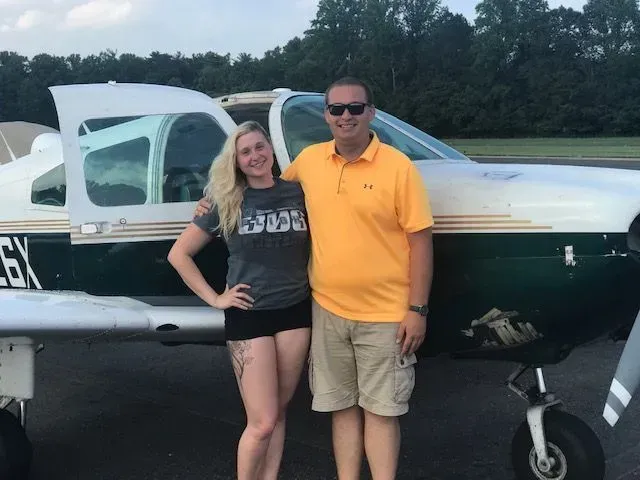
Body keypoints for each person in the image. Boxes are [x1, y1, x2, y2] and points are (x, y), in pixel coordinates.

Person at [195, 77, 434, 480]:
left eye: (355, 108)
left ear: (370, 112)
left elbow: (421, 241)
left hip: (385, 314)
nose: (346, 116)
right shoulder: (310, 162)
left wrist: (417, 309)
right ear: (327, 115)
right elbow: (260, 186)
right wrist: (212, 199)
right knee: (339, 408)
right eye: (337, 109)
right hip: (325, 312)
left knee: (381, 410)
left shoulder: (399, 167)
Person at [168, 120, 312, 480]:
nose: (254, 156)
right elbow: (179, 255)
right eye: (244, 152)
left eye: (259, 147)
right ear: (236, 160)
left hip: (296, 311)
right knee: (261, 422)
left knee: (278, 413)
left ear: (271, 149)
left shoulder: (298, 193)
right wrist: (215, 298)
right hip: (249, 316)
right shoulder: (226, 199)